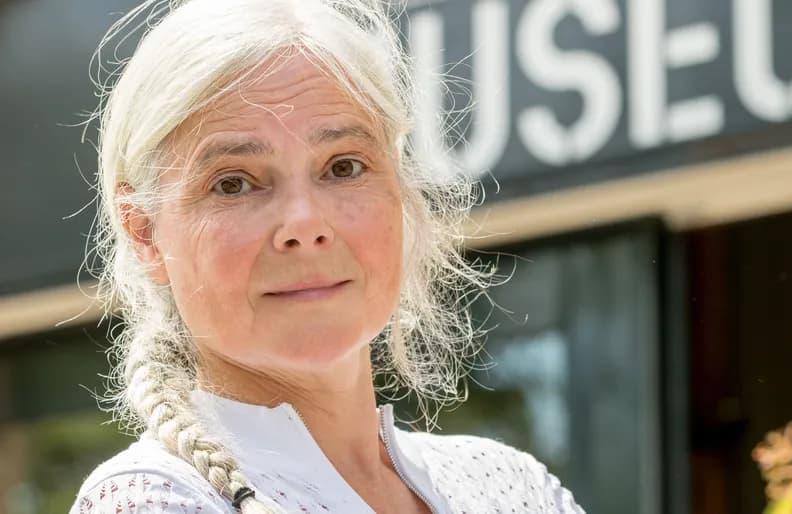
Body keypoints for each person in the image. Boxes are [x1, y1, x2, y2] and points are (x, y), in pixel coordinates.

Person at [70, 0, 585, 512]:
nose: (305, 225)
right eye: (233, 183)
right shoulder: (151, 499)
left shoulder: (511, 487)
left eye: (343, 168)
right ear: (145, 233)